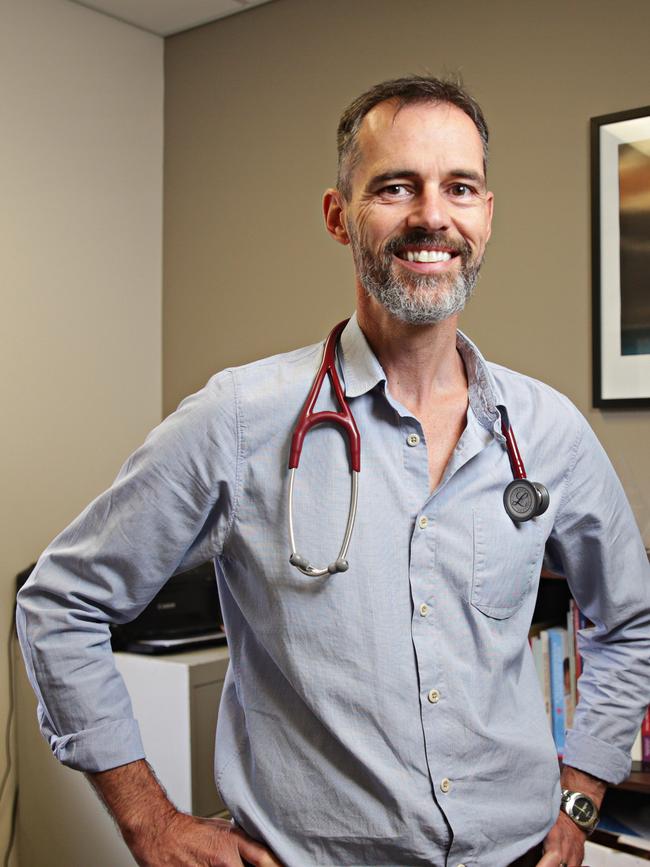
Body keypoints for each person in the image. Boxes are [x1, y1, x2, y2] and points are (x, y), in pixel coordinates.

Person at [17, 76, 650, 867]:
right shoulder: (240, 420)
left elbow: (631, 619)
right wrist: (150, 820)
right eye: (395, 186)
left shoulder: (548, 429)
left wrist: (583, 787)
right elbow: (58, 603)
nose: (431, 215)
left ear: (486, 216)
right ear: (337, 215)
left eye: (459, 187)